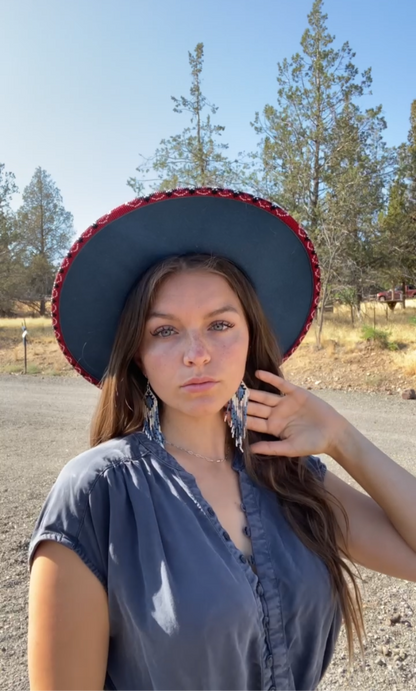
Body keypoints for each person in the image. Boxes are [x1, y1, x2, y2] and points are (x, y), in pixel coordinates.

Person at [27, 188, 416, 691]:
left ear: (251, 336)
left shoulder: (288, 475)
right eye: (165, 331)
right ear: (137, 354)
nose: (197, 353)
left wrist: (343, 439)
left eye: (220, 325)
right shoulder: (98, 493)